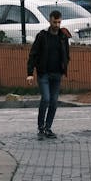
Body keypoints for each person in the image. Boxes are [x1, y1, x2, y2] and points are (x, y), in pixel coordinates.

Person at [26, 9, 70, 138]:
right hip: (43, 73)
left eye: (59, 22)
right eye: (54, 22)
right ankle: (41, 126)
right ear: (50, 21)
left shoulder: (63, 36)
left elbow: (66, 53)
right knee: (46, 99)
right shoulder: (42, 36)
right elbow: (33, 54)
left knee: (54, 102)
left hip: (57, 74)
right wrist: (30, 73)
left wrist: (64, 65)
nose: (56, 25)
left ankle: (48, 127)